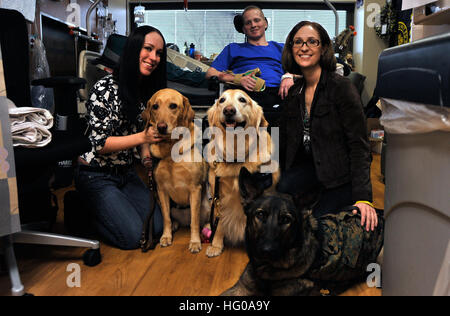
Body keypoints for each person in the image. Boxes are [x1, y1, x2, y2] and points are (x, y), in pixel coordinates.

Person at [277, 21, 378, 232]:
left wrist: (363, 198)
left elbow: (359, 145)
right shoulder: (294, 93)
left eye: (312, 42)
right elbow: (283, 144)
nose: (304, 47)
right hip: (306, 171)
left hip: (337, 176)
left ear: (323, 48)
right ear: (291, 48)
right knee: (283, 219)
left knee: (317, 231)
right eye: (298, 42)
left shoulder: (342, 88)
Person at [74, 26, 166, 250]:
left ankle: (114, 210)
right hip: (96, 174)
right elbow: (100, 144)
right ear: (134, 49)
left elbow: (141, 133)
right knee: (134, 237)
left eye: (159, 53)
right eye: (148, 49)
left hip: (126, 173)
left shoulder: (144, 91)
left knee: (156, 228)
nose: (154, 58)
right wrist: (143, 136)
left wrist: (147, 160)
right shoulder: (104, 89)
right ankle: (81, 210)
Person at [205, 5, 294, 126]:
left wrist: (289, 76)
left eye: (257, 20)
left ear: (265, 23)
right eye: (248, 23)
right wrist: (237, 79)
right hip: (245, 95)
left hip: (277, 93)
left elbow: (304, 70)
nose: (253, 25)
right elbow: (210, 73)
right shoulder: (233, 48)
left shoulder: (281, 48)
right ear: (244, 29)